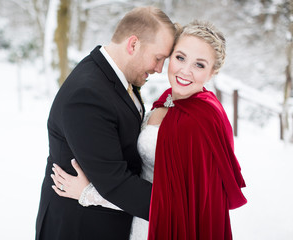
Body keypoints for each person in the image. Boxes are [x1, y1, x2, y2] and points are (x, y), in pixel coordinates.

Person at [51, 20, 247, 240]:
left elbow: (181, 207)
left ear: (213, 72)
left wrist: (89, 193)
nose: (185, 70)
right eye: (180, 57)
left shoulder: (199, 122)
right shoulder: (167, 100)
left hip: (164, 229)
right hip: (137, 220)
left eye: (199, 65)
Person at [35, 6, 179, 240]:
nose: (159, 68)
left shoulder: (112, 73)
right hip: (80, 228)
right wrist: (180, 209)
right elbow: (115, 182)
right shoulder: (87, 95)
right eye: (158, 58)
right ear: (133, 44)